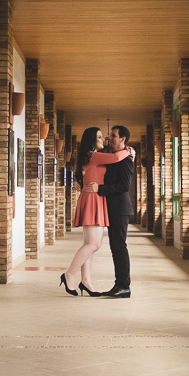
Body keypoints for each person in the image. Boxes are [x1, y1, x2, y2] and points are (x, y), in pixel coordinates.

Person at [59, 127, 133, 297]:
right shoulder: (94, 155)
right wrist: (130, 150)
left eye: (110, 136)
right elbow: (115, 158)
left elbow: (119, 181)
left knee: (91, 244)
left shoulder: (94, 156)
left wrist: (81, 180)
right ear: (92, 140)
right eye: (100, 137)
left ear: (122, 139)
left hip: (98, 199)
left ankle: (87, 281)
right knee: (93, 244)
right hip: (93, 199)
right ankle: (69, 274)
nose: (105, 139)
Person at [97, 125, 135, 298]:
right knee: (115, 247)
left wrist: (100, 189)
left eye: (113, 136)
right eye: (110, 135)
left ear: (123, 139)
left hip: (120, 209)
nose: (109, 138)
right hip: (112, 208)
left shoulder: (126, 160)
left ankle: (124, 286)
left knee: (119, 246)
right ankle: (119, 284)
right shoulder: (113, 157)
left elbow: (124, 186)